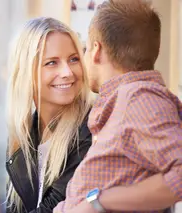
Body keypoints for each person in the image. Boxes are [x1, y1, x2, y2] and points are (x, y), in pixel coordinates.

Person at [53, 0, 182, 212]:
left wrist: (99, 201)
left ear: (96, 50)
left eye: (85, 48)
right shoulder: (125, 101)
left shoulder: (139, 98)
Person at [5, 17, 93, 213]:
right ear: (26, 72)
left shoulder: (91, 126)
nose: (67, 72)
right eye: (52, 62)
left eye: (73, 59)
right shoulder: (24, 136)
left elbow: (56, 206)